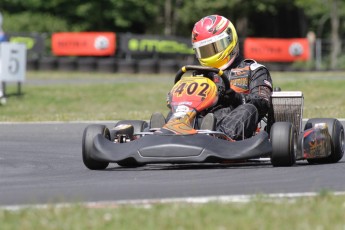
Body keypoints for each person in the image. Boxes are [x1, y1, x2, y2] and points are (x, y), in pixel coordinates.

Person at [190, 14, 273, 140]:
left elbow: (262, 102)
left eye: (213, 48)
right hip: (202, 123)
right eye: (205, 51)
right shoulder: (200, 74)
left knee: (249, 109)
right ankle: (171, 133)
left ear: (229, 39)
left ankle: (218, 138)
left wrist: (237, 98)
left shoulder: (254, 69)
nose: (210, 54)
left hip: (235, 124)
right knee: (182, 112)